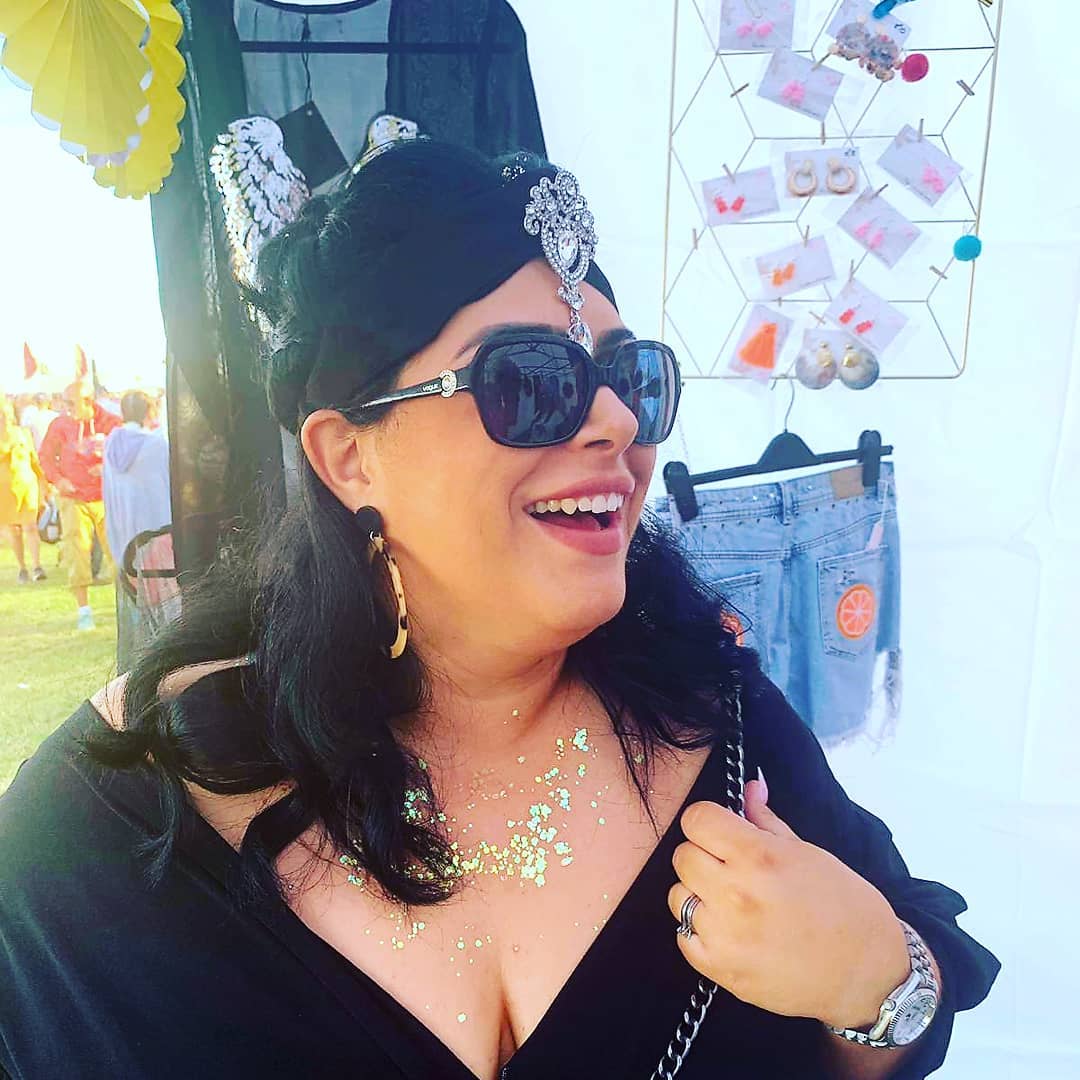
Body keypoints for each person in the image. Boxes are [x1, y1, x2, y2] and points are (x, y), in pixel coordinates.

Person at [0, 142, 999, 1079]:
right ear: (349, 457)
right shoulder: (112, 819)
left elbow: (913, 987)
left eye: (631, 379)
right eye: (529, 382)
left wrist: (874, 980)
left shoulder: (718, 715)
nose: (615, 420)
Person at [37, 379, 119, 629]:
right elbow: (45, 457)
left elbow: (125, 456)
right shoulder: (60, 424)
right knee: (76, 551)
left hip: (106, 497)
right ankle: (84, 611)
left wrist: (106, 467)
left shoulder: (111, 423)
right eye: (65, 403)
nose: (67, 408)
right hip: (73, 498)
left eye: (71, 403)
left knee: (117, 551)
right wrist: (58, 479)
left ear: (88, 401)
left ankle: (127, 609)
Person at [104, 389, 172, 667]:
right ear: (150, 412)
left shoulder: (110, 445)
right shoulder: (157, 445)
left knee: (135, 607)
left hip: (124, 537)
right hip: (157, 537)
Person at [0, 397, 46, 583]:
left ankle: (37, 566)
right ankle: (22, 567)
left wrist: (44, 484)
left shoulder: (23, 434)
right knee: (13, 530)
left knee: (30, 526)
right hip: (5, 492)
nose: (4, 417)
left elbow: (34, 461)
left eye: (6, 413)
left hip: (27, 486)